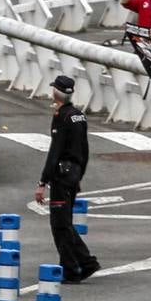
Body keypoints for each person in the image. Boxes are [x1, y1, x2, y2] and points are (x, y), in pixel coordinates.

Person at [34, 75, 99, 284]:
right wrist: (79, 174)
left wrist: (43, 182)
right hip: (74, 173)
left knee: (60, 225)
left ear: (57, 93)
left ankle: (77, 266)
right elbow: (85, 149)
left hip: (61, 177)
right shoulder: (79, 115)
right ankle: (78, 264)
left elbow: (55, 150)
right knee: (65, 223)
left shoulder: (61, 116)